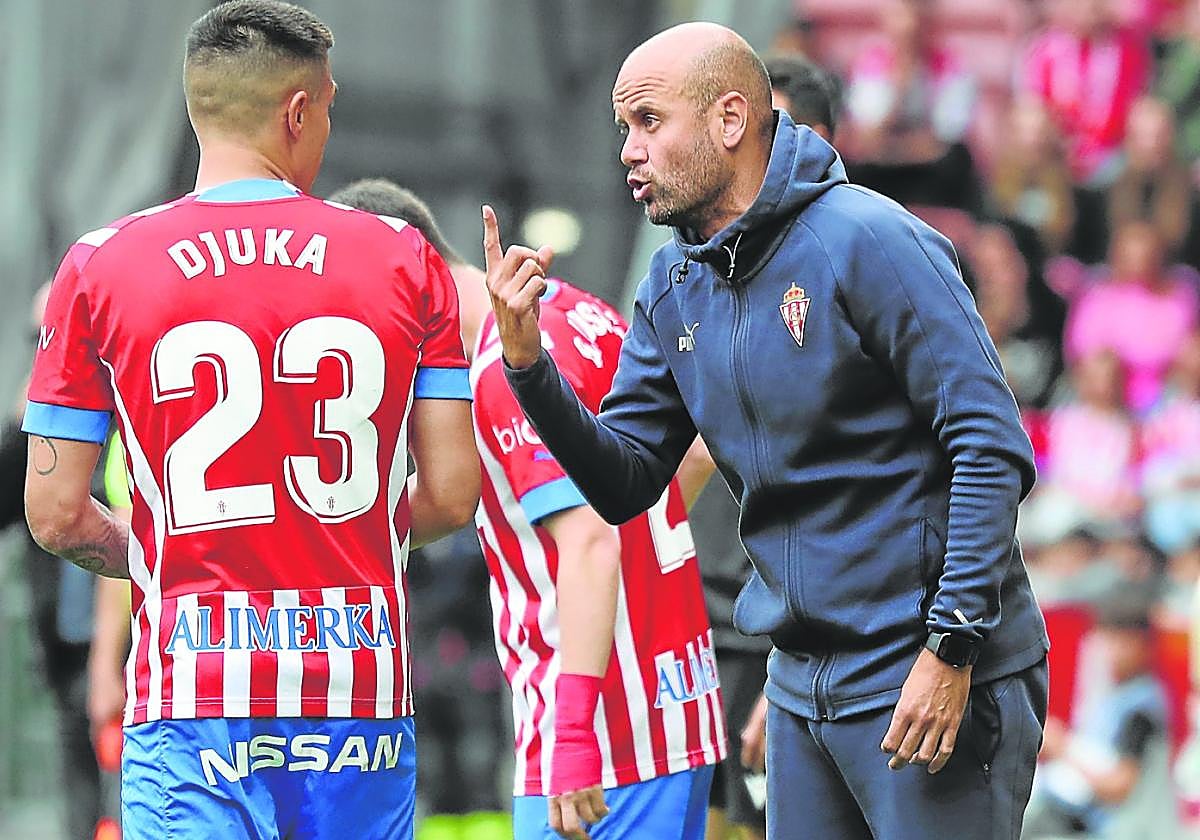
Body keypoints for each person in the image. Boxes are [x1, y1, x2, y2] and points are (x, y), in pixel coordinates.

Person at [484, 21, 1049, 840]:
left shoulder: (868, 237)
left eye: (649, 121)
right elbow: (625, 481)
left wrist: (953, 647)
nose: (628, 152)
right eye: (622, 129)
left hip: (926, 672)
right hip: (800, 686)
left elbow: (990, 445)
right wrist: (530, 365)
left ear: (729, 120)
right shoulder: (674, 282)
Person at [21, 3, 480, 838]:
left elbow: (54, 515)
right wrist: (339, 549)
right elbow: (450, 494)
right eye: (329, 108)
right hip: (361, 703)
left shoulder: (98, 266)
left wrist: (164, 562)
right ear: (297, 111)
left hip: (191, 705)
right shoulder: (404, 258)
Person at [330, 179, 725, 840]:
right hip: (674, 714)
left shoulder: (505, 368)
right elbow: (694, 453)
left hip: (601, 748)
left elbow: (590, 541)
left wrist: (571, 737)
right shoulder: (574, 310)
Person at [701, 55, 842, 840]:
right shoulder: (703, 278)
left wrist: (789, 672)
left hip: (792, 644)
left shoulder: (851, 271)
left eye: (756, 130)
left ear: (812, 141)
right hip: (705, 629)